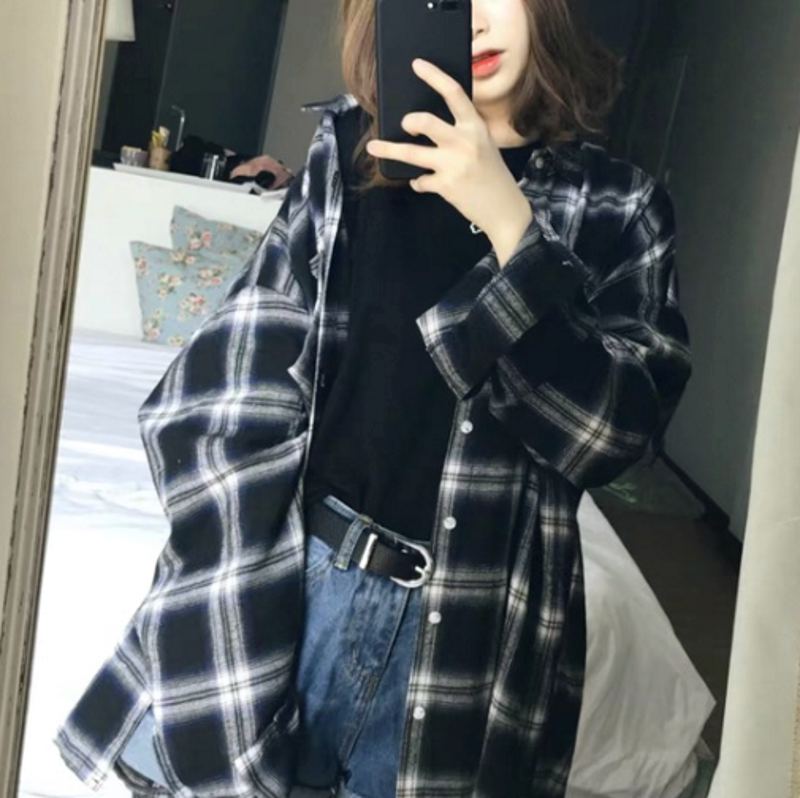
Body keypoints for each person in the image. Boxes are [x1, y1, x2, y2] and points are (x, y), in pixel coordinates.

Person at [55, 0, 692, 797]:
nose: (472, 21)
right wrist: (233, 577)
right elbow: (237, 382)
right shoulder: (352, 157)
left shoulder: (620, 206)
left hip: (468, 636)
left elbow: (611, 437)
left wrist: (510, 228)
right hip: (301, 586)